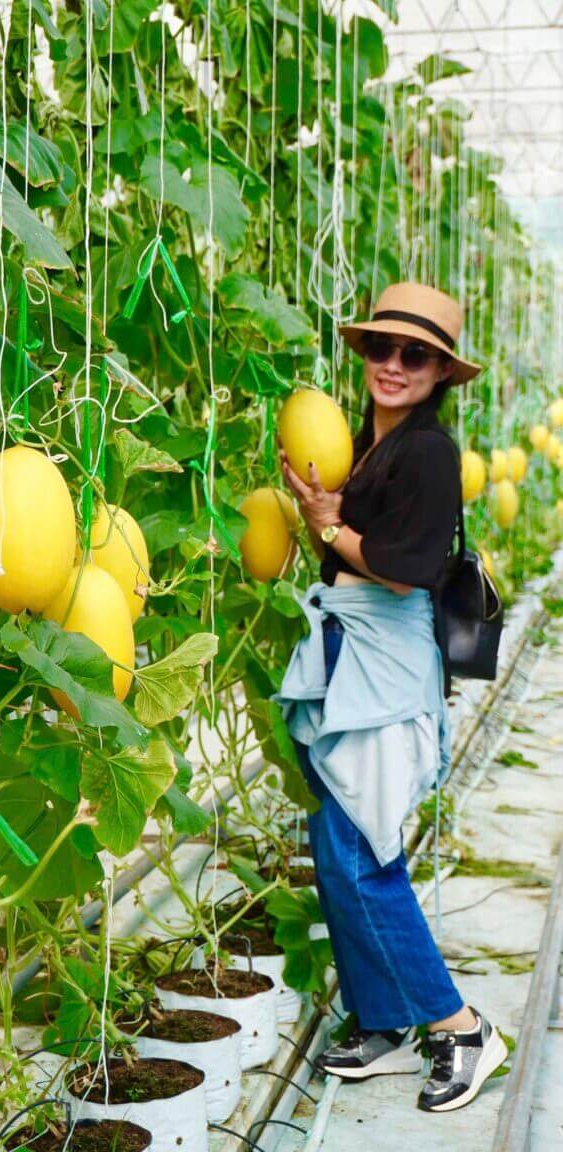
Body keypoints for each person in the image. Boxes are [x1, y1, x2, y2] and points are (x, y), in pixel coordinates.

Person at [275, 283, 508, 1114]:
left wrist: (331, 527)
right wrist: (326, 519)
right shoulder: (366, 443)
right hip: (349, 653)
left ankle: (461, 1026)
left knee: (362, 855)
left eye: (415, 355)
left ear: (442, 370)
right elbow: (348, 548)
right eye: (382, 349)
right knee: (338, 847)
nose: (393, 365)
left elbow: (404, 565)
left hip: (385, 666)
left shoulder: (431, 452)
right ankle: (382, 1021)